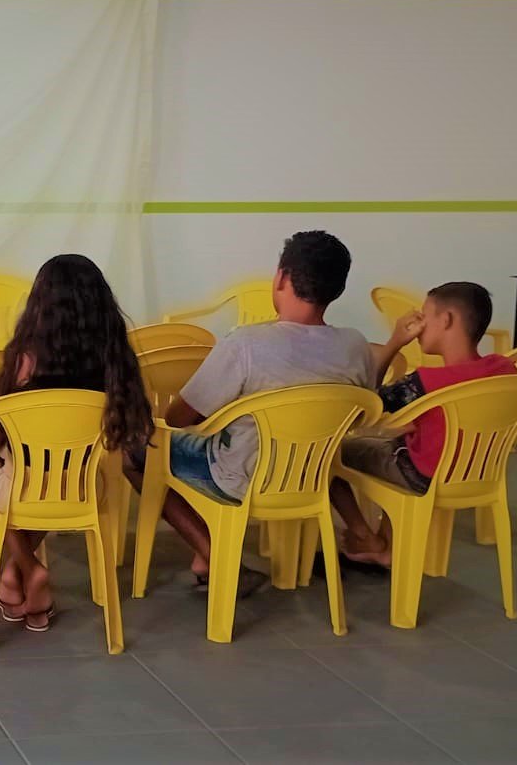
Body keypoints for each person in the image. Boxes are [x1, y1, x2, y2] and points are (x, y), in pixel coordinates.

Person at [125, 230, 374, 597]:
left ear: (282, 277)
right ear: (337, 288)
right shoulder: (356, 346)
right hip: (311, 474)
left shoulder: (246, 343)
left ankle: (214, 553)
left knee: (136, 452)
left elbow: (179, 420)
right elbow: (360, 412)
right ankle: (207, 557)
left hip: (241, 478)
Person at [0, 255, 154, 632]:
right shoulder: (112, 356)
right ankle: (16, 575)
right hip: (82, 482)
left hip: (26, 480)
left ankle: (26, 567)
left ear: (40, 304)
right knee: (48, 490)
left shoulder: (25, 357)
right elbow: (128, 427)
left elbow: (0, 428)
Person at [330, 281, 517, 567]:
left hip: (423, 474)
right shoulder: (505, 369)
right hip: (478, 473)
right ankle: (386, 546)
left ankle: (366, 537)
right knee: (400, 441)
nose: (418, 324)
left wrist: (395, 343)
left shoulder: (425, 383)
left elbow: (366, 405)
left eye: (424, 315)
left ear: (446, 320)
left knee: (329, 454)